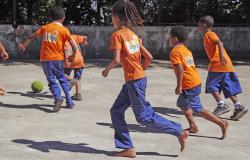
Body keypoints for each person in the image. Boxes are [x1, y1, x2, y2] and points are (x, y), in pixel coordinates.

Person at [102, 0, 188, 158]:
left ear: (115, 17)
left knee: (144, 116)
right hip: (135, 80)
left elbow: (116, 60)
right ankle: (127, 147)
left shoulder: (117, 35)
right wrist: (139, 71)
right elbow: (148, 57)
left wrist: (106, 70)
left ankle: (179, 131)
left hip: (134, 81)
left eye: (111, 17)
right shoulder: (133, 35)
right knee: (116, 111)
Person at [168, 25, 229, 139]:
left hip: (189, 84)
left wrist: (179, 86)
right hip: (195, 81)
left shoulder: (175, 52)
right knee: (182, 104)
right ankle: (193, 126)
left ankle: (222, 123)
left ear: (175, 39)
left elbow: (180, 69)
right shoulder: (185, 49)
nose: (169, 39)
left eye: (170, 37)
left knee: (197, 109)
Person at [19, 6, 78, 111]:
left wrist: (24, 45)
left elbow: (32, 37)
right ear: (63, 18)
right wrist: (73, 54)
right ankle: (69, 101)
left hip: (46, 59)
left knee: (52, 80)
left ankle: (58, 98)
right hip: (58, 59)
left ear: (50, 17)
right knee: (62, 79)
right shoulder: (64, 30)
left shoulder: (45, 28)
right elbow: (73, 44)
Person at [198, 15, 248, 120]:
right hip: (226, 65)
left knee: (211, 85)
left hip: (218, 64)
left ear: (204, 25)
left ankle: (221, 105)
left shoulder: (209, 34)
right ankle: (238, 106)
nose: (198, 27)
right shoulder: (209, 34)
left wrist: (220, 57)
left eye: (199, 25)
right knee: (227, 87)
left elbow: (220, 43)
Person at [63, 34, 87, 101]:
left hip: (69, 60)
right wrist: (85, 41)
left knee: (62, 74)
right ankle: (78, 94)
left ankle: (71, 80)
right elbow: (85, 37)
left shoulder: (60, 39)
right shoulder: (73, 36)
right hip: (79, 60)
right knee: (78, 78)